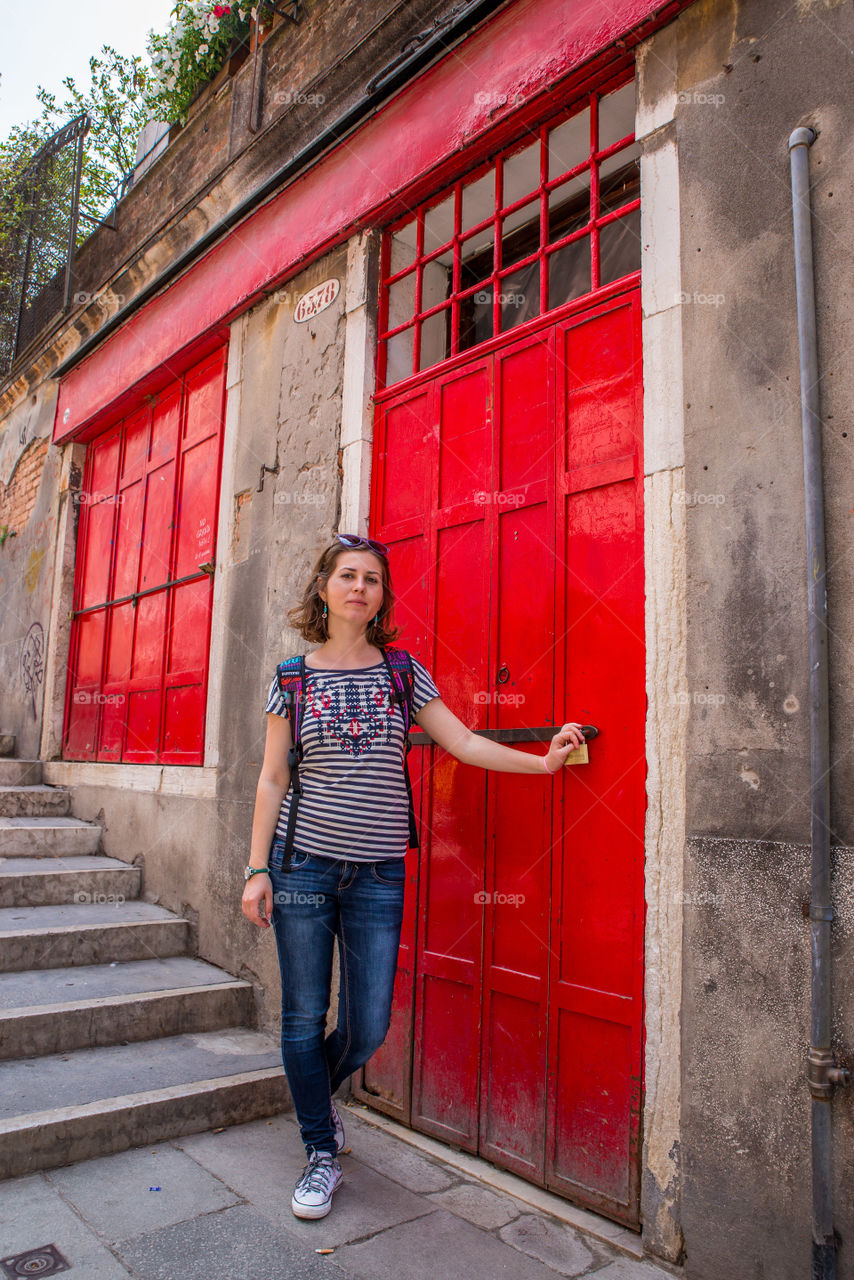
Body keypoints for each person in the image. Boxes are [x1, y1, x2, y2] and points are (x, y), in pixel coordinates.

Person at [242, 532, 586, 1220]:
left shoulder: (402, 673)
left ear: (379, 597)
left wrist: (544, 763)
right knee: (304, 1016)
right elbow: (274, 776)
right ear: (324, 588)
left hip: (377, 872)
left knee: (367, 1026)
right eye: (347, 575)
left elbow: (460, 741)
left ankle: (308, 1093)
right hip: (302, 865)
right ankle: (320, 1148)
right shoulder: (292, 677)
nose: (359, 587)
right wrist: (256, 869)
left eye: (371, 578)